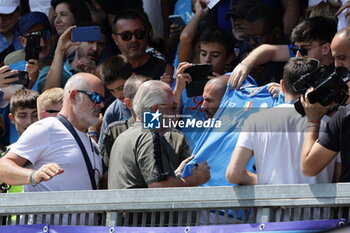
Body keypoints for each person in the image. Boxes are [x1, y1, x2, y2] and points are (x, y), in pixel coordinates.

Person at [226, 57, 339, 185]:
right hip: (320, 204)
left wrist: (269, 183)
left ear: (283, 86)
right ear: (317, 87)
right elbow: (338, 176)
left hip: (271, 203)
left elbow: (233, 174)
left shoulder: (255, 121)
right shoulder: (333, 123)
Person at [0, 72, 105, 191]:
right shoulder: (47, 128)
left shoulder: (92, 144)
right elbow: (2, 168)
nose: (101, 104)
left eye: (103, 99)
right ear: (74, 96)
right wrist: (33, 176)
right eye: (96, 97)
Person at [108, 80, 210, 189]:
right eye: (173, 108)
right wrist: (194, 179)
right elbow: (158, 186)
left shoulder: (124, 136)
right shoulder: (149, 136)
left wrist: (174, 176)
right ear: (155, 109)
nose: (176, 114)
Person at [229, 16, 337, 89]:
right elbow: (269, 51)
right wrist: (245, 64)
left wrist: (286, 93)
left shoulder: (339, 74)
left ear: (326, 49)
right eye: (295, 49)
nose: (297, 56)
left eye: (304, 50)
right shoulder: (304, 51)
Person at [301, 27, 350, 182]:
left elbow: (309, 167)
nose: (337, 65)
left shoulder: (345, 116)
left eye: (342, 57)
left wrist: (313, 121)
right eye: (334, 58)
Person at [37, 23, 106, 92]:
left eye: (100, 44)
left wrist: (94, 76)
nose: (95, 48)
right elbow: (49, 96)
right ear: (76, 42)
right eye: (90, 42)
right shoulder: (49, 71)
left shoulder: (104, 75)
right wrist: (60, 51)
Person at [111, 10, 170, 80]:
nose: (134, 39)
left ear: (147, 34)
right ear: (115, 39)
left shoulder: (165, 70)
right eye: (126, 35)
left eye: (139, 34)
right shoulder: (106, 71)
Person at [4, 11, 52, 90]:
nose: (42, 43)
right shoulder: (13, 71)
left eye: (45, 34)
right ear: (23, 41)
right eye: (34, 37)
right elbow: (12, 100)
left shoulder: (61, 67)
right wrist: (30, 80)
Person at [97, 55, 133, 144]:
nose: (118, 95)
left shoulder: (153, 101)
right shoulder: (112, 112)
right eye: (112, 91)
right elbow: (103, 152)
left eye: (121, 88)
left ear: (133, 77)